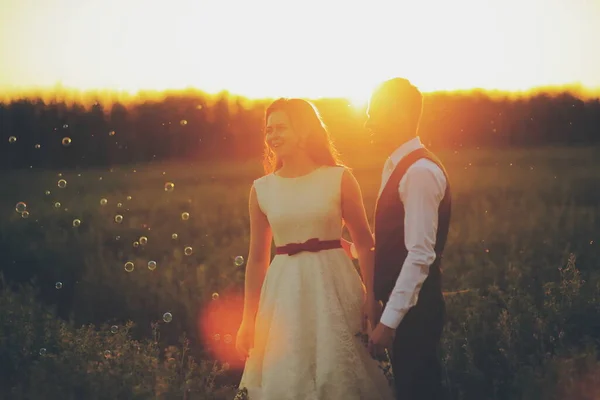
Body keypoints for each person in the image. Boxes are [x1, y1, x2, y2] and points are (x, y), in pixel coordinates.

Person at [234, 98, 395, 400]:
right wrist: (248, 318)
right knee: (287, 372)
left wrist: (373, 299)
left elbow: (364, 242)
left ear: (305, 130)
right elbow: (257, 258)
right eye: (269, 130)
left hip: (335, 287)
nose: (273, 136)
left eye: (281, 128)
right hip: (283, 295)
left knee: (339, 372)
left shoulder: (339, 178)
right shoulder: (262, 189)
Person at [358, 78, 452, 400]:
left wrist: (389, 322)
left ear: (396, 114)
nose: (367, 121)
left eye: (373, 113)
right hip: (405, 308)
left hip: (416, 311)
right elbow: (394, 243)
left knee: (420, 390)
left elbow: (419, 255)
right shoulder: (397, 166)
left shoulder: (419, 172)